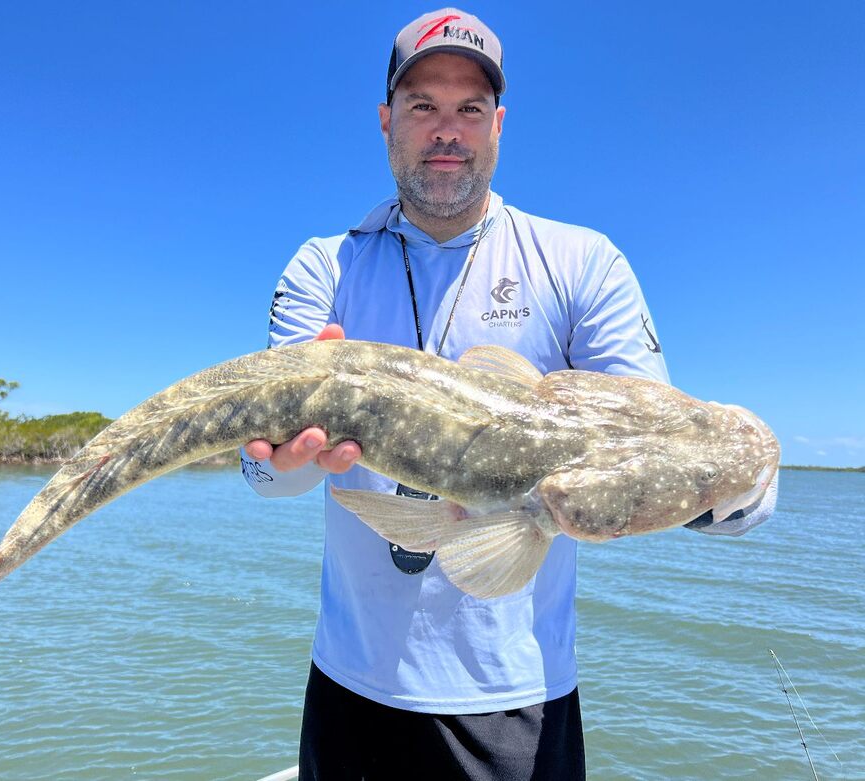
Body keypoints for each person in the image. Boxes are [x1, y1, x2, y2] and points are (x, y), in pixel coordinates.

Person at [241, 8, 777, 779]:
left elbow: (655, 443)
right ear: (387, 120)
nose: (447, 129)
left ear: (499, 123)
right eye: (424, 106)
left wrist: (740, 484)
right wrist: (287, 457)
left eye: (470, 108)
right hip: (350, 683)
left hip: (516, 694)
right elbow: (263, 478)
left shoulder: (580, 261)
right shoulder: (328, 268)